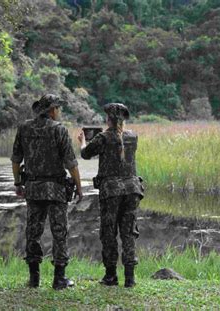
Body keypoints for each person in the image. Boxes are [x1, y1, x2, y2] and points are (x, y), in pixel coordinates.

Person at [11, 94, 83, 290]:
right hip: (56, 190)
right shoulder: (59, 129)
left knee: (33, 231)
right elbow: (71, 163)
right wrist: (79, 186)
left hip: (33, 189)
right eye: (57, 108)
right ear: (52, 110)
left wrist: (18, 183)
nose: (58, 112)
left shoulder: (24, 128)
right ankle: (59, 279)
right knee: (60, 232)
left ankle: (34, 279)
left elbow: (16, 159)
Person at [78, 103, 144, 288]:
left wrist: (82, 141)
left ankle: (111, 276)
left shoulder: (102, 138)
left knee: (109, 233)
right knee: (129, 232)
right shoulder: (133, 136)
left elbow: (85, 154)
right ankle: (130, 279)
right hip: (132, 190)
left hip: (111, 192)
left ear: (108, 119)